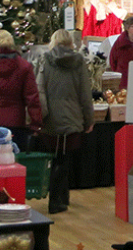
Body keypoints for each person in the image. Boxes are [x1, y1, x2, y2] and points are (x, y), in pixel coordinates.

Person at [36, 29, 94, 214]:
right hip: (72, 116)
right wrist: (89, 119)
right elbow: (85, 94)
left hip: (50, 118)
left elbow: (39, 90)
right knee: (65, 159)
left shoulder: (44, 60)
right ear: (70, 43)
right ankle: (57, 200)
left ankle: (61, 198)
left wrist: (40, 115)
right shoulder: (79, 62)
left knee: (56, 159)